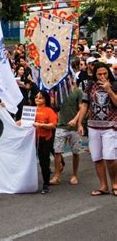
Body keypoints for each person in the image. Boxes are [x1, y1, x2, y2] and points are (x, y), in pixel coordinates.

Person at [77, 62, 117, 196]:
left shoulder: (115, 84)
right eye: (99, 74)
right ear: (95, 74)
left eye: (104, 73)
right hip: (93, 126)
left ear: (108, 73)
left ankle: (115, 183)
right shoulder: (90, 85)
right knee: (97, 157)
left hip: (110, 126)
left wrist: (109, 90)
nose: (102, 76)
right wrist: (79, 123)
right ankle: (103, 186)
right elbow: (84, 105)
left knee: (110, 157)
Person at [50, 80, 83, 185]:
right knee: (57, 151)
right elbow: (54, 107)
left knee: (76, 152)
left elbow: (82, 108)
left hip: (74, 128)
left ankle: (74, 175)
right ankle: (56, 176)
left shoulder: (77, 91)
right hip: (61, 126)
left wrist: (76, 120)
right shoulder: (57, 91)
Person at [33, 90, 58, 194]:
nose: (37, 99)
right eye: (36, 97)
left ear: (45, 99)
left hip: (45, 139)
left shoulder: (49, 111)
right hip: (33, 140)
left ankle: (46, 184)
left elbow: (53, 125)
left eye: (40, 97)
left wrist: (41, 125)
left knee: (44, 162)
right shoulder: (31, 110)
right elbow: (23, 121)